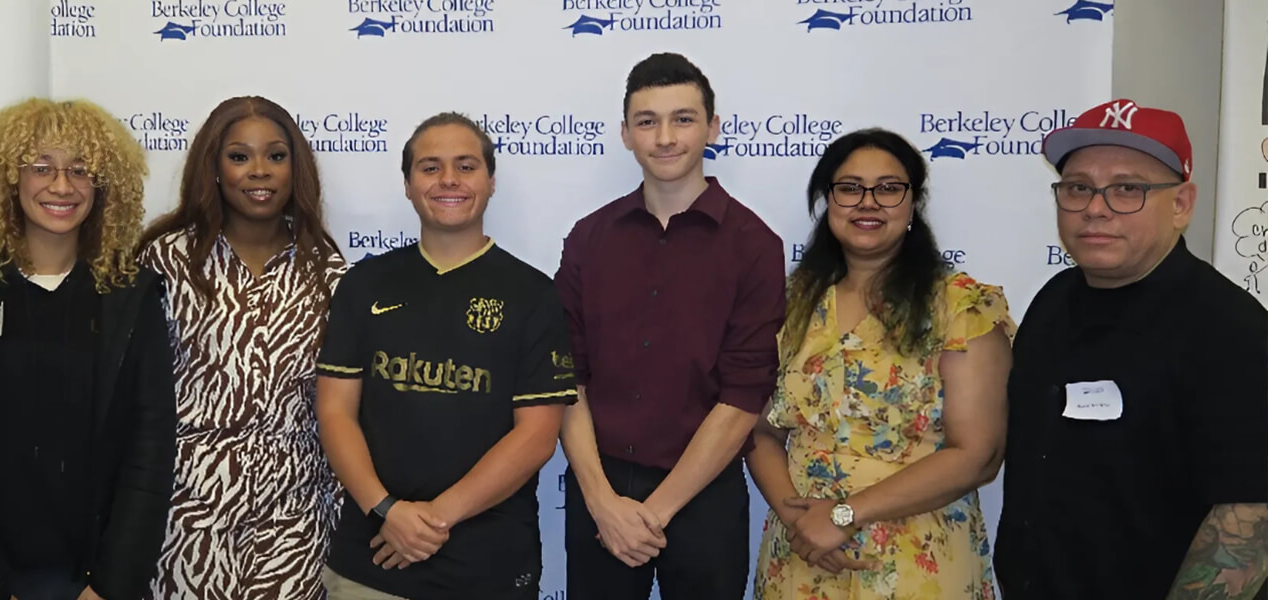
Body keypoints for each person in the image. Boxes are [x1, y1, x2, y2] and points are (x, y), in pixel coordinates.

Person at [0, 98, 177, 600]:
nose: (61, 186)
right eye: (41, 168)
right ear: (9, 179)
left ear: (103, 185)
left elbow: (150, 449)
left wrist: (112, 586)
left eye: (80, 169)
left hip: (89, 582)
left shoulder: (128, 295)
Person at [996, 99, 1268, 600]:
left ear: (1182, 204)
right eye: (1078, 187)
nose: (1095, 208)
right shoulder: (1052, 301)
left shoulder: (1231, 332)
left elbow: (1250, 514)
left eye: (1128, 189)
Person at [314, 113, 577, 600]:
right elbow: (334, 411)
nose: (449, 180)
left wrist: (431, 521)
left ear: (491, 181)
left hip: (489, 568)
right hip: (372, 557)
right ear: (409, 185)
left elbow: (538, 437)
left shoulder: (533, 294)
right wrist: (387, 509)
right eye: (430, 167)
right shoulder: (364, 284)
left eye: (466, 165)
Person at [553, 52, 783, 599]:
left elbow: (745, 395)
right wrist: (604, 504)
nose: (664, 137)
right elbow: (564, 376)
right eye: (646, 121)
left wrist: (652, 514)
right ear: (626, 134)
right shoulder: (589, 237)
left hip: (705, 493)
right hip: (599, 491)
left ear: (712, 128)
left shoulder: (754, 245)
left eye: (682, 118)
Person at [747, 128, 1014, 598]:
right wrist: (800, 521)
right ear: (827, 202)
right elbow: (761, 429)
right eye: (849, 188)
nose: (868, 202)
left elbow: (979, 455)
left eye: (889, 189)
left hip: (916, 559)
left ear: (914, 204)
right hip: (803, 555)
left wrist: (844, 515)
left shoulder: (960, 307)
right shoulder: (792, 304)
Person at [139, 96, 346, 600]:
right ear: (212, 167)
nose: (260, 171)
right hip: (185, 516)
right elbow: (133, 399)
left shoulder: (329, 273)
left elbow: (341, 411)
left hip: (294, 520)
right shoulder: (165, 262)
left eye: (276, 156)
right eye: (239, 156)